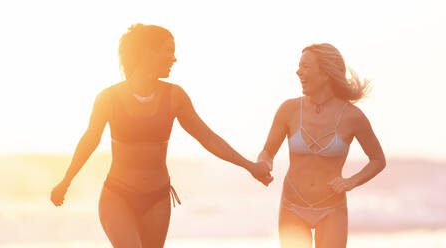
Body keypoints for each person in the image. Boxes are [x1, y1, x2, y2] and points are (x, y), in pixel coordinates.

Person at [50, 24, 272, 248]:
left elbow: (207, 137)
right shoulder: (108, 98)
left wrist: (249, 166)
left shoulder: (174, 96)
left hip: (157, 199)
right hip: (118, 196)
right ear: (148, 52)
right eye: (168, 51)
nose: (174, 58)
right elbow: (90, 140)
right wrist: (66, 181)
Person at [257, 43, 386, 248]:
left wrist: (351, 181)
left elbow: (378, 160)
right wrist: (264, 163)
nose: (298, 71)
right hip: (292, 206)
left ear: (325, 73)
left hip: (331, 208)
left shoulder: (353, 117)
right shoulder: (289, 110)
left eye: (306, 66)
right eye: (299, 66)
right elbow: (267, 152)